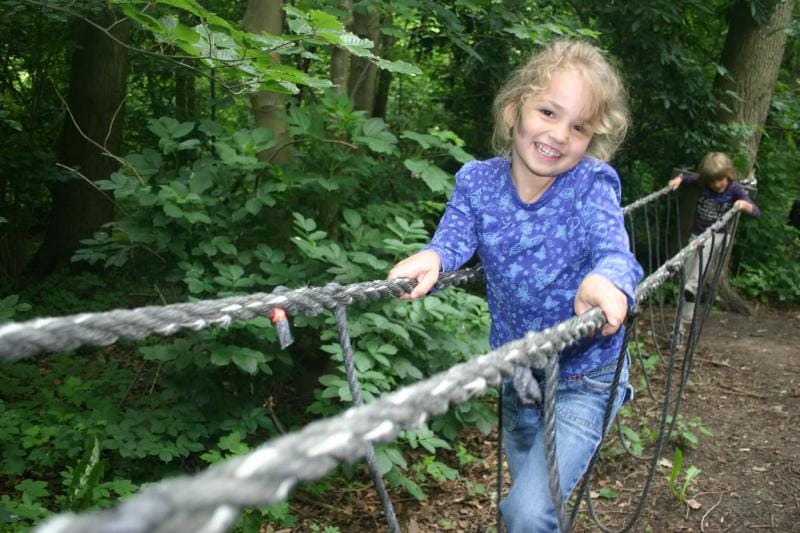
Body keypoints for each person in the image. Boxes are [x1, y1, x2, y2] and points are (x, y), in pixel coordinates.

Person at [388, 39, 642, 532]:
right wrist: (434, 256)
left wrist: (605, 278)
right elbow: (454, 237)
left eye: (579, 126)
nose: (558, 134)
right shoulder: (477, 183)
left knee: (526, 512)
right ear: (513, 110)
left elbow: (615, 250)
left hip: (585, 378)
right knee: (539, 510)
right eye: (548, 111)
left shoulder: (592, 185)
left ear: (592, 138)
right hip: (518, 375)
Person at [668, 152, 760, 341]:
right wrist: (678, 180)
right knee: (687, 275)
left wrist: (744, 205)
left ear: (728, 174)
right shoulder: (703, 182)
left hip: (717, 236)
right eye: (713, 182)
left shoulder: (735, 190)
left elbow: (756, 211)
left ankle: (692, 287)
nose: (717, 185)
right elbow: (687, 179)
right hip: (697, 235)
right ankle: (680, 327)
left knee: (702, 252)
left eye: (721, 180)